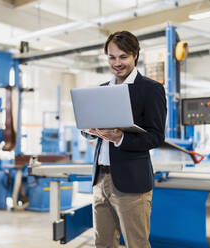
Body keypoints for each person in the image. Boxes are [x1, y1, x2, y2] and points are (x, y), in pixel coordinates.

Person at [81, 31, 167, 248]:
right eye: (112, 57)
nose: (117, 63)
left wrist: (120, 138)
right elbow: (87, 129)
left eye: (123, 57)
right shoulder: (101, 91)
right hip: (101, 179)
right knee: (103, 244)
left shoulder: (151, 90)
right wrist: (89, 129)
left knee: (136, 243)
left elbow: (156, 136)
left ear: (135, 55)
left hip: (131, 183)